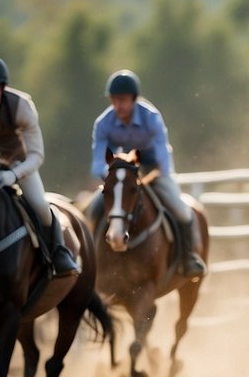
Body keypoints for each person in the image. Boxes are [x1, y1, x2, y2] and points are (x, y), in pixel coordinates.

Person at [0, 53, 78, 278]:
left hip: (21, 165)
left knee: (40, 206)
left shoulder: (21, 107)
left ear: (2, 88)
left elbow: (37, 155)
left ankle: (58, 253)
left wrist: (14, 174)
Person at [86, 70, 206, 278]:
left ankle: (188, 258)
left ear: (134, 99)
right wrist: (115, 179)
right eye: (114, 100)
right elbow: (98, 163)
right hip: (120, 174)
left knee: (181, 210)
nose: (118, 106)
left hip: (153, 171)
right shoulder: (102, 123)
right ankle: (88, 262)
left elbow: (163, 157)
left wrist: (149, 178)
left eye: (122, 100)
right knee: (92, 210)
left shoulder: (151, 118)